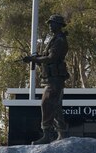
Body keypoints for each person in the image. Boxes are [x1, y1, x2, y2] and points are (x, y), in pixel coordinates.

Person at [23, 14, 70, 144]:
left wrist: (34, 59)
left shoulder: (60, 40)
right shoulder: (54, 39)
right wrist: (35, 58)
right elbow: (46, 58)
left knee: (47, 104)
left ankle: (48, 135)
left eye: (52, 23)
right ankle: (62, 133)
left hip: (55, 79)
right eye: (49, 23)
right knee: (55, 106)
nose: (50, 26)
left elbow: (51, 58)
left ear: (59, 25)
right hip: (51, 78)